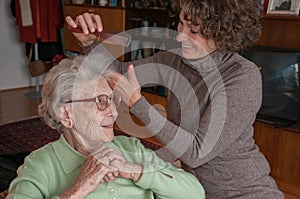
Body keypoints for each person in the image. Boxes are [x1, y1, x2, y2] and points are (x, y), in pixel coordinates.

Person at [66, 0, 285, 198]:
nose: (180, 35)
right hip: (194, 190)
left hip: (246, 192)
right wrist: (90, 44)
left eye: (194, 30)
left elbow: (197, 153)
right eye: (181, 23)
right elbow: (119, 76)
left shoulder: (242, 76)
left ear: (222, 34)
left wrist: (138, 103)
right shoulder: (174, 60)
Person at [6, 53, 205, 198]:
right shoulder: (40, 165)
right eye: (100, 101)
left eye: (112, 100)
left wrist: (138, 172)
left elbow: (195, 193)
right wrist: (80, 188)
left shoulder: (130, 148)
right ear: (66, 115)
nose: (114, 112)